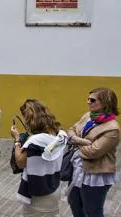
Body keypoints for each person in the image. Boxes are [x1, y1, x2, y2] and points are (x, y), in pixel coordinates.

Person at [66, 88, 119, 217]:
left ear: (105, 103)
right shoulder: (87, 116)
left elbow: (92, 152)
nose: (88, 102)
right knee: (74, 203)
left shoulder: (113, 128)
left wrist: (75, 140)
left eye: (92, 100)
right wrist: (83, 142)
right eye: (88, 99)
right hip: (78, 168)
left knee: (92, 211)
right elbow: (71, 130)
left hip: (95, 175)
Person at [11, 99, 67, 217]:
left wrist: (17, 140)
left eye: (25, 118)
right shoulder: (60, 135)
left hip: (39, 195)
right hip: (54, 187)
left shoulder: (35, 141)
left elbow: (21, 162)